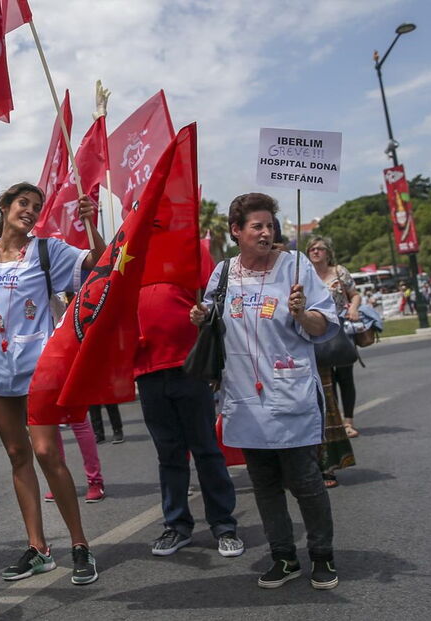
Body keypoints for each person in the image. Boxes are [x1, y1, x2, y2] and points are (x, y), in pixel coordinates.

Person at [0, 182, 106, 586]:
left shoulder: (48, 250)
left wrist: (90, 222)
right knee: (17, 454)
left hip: (38, 368)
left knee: (46, 452)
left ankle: (80, 544)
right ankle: (39, 549)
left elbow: (100, 263)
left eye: (36, 206)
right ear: (5, 207)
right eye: (22, 203)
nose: (29, 211)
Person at [190, 193, 340, 591]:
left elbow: (323, 325)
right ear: (236, 231)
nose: (265, 232)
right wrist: (201, 317)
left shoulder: (295, 266)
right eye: (256, 226)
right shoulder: (223, 273)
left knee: (305, 481)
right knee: (265, 484)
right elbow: (211, 321)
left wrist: (300, 313)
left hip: (289, 394)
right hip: (244, 397)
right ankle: (284, 557)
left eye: (269, 225)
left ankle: (321, 556)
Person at [135, 269, 244, 558]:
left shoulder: (190, 248)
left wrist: (206, 323)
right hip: (148, 371)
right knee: (169, 454)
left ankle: (223, 525)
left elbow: (213, 305)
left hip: (191, 366)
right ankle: (177, 526)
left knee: (206, 450)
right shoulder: (129, 254)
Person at [306, 237, 358, 488]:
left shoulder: (339, 273)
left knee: (335, 389)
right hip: (307, 342)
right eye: (311, 249)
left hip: (334, 335)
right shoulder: (302, 273)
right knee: (318, 400)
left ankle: (330, 461)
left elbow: (354, 295)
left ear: (328, 252)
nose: (315, 252)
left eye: (319, 249)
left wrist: (353, 308)